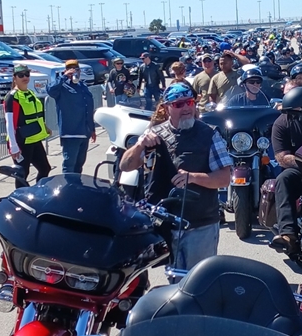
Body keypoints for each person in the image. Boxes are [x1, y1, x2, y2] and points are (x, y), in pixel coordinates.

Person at [119, 82, 232, 270]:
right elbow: (125, 166)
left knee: (198, 280)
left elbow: (224, 178)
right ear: (167, 108)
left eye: (189, 102)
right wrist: (139, 145)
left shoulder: (210, 134)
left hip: (200, 225)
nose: (186, 108)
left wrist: (193, 177)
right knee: (173, 279)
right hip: (164, 224)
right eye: (179, 104)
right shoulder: (154, 135)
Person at [270, 86, 302, 256]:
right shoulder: (281, 123)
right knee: (284, 178)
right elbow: (281, 157)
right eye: (289, 112)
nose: (292, 115)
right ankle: (288, 234)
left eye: (296, 111)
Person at [4, 65, 51, 188]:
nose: (25, 77)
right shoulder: (12, 97)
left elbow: (36, 114)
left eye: (27, 74)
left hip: (34, 138)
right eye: (21, 75)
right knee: (22, 174)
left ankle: (38, 192)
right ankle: (21, 196)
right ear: (14, 78)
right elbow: (9, 122)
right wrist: (14, 146)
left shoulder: (30, 92)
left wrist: (45, 127)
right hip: (21, 141)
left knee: (45, 168)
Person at [47, 60, 96, 173]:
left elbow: (88, 109)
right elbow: (50, 91)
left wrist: (92, 129)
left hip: (84, 132)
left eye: (76, 69)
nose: (74, 71)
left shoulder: (82, 86)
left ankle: (77, 184)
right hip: (71, 133)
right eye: (70, 69)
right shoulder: (62, 86)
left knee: (79, 164)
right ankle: (68, 184)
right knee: (69, 165)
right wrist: (64, 77)